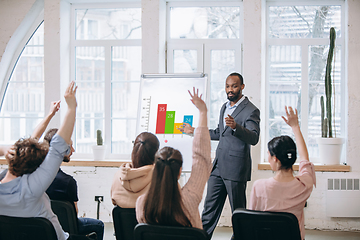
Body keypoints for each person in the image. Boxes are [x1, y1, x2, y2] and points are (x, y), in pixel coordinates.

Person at [0, 82, 89, 240]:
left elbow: (32, 142)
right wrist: (71, 107)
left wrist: (2, 149)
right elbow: (57, 147)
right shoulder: (32, 189)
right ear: (36, 167)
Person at [180, 72, 260, 237]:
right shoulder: (225, 107)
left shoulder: (252, 110)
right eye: (228, 86)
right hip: (217, 168)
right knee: (209, 210)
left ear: (242, 87)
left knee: (238, 213)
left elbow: (254, 138)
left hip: (236, 169)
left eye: (234, 86)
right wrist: (193, 131)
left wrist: (236, 126)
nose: (230, 90)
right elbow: (219, 133)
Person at [136, 87, 211, 229]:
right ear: (179, 170)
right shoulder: (189, 199)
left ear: (155, 169)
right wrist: (203, 112)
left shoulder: (142, 204)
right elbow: (201, 157)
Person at [249, 106, 316, 240]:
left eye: (268, 155)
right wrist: (295, 127)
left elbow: (252, 221)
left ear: (275, 159)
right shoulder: (305, 185)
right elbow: (305, 159)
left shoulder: (259, 186)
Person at [44, 128, 104, 240]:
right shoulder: (68, 182)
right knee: (98, 225)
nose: (73, 150)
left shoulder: (37, 177)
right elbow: (73, 215)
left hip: (43, 226)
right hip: (65, 229)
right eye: (70, 146)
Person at [111, 132, 159, 208]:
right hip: (149, 219)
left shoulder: (118, 175)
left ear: (134, 150)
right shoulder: (161, 177)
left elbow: (114, 201)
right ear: (156, 153)